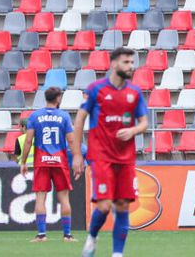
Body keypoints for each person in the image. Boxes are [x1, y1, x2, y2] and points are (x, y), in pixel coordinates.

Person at [73, 47, 149, 257]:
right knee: (105, 206)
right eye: (126, 62)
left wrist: (133, 130)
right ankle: (92, 237)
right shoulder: (96, 89)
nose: (131, 66)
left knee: (123, 204)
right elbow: (79, 119)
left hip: (125, 158)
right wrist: (78, 154)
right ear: (114, 64)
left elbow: (144, 123)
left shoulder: (134, 93)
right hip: (101, 156)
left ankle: (117, 254)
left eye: (132, 62)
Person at [22, 86, 76, 243]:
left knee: (40, 198)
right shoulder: (64, 116)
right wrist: (76, 159)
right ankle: (67, 235)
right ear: (58, 98)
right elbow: (71, 140)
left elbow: (28, 141)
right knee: (64, 198)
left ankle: (41, 235)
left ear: (46, 98)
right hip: (60, 161)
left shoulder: (35, 116)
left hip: (41, 162)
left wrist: (24, 162)